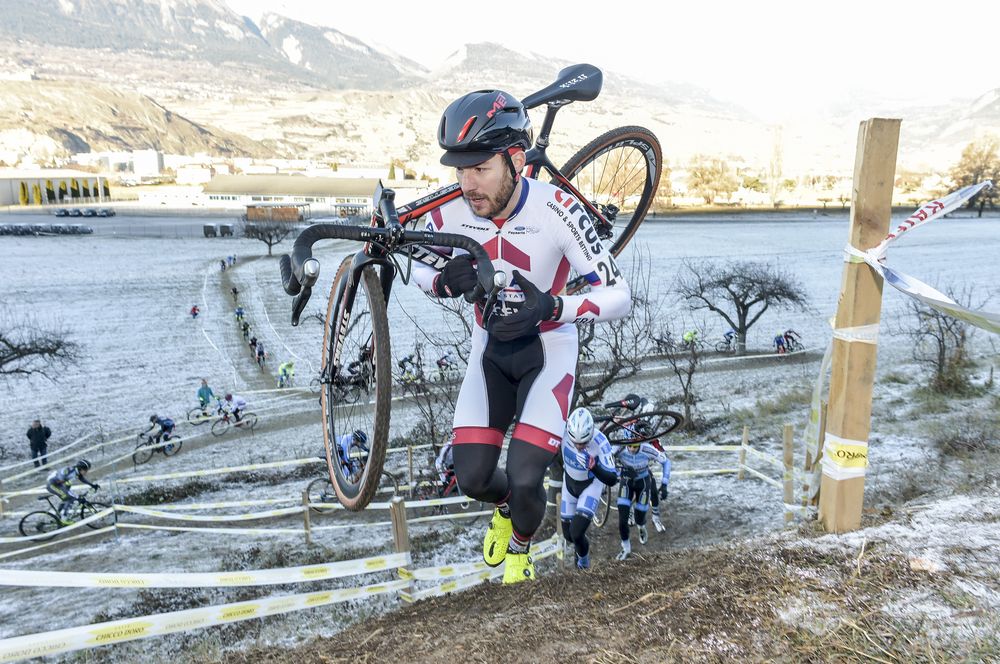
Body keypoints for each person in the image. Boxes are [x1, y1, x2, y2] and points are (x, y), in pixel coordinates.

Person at [409, 89, 631, 584]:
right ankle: (506, 507)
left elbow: (619, 295)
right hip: (488, 352)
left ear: (514, 159)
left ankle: (521, 548)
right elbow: (417, 268)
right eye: (460, 170)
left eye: (480, 169)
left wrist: (555, 306)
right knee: (473, 478)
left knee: (529, 476)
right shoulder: (447, 212)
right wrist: (445, 282)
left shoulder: (557, 209)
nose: (468, 184)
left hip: (549, 349)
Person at [560, 408, 618, 570]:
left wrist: (594, 467)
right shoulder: (561, 432)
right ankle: (581, 549)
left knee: (577, 533)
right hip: (569, 485)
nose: (579, 446)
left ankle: (584, 563)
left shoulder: (601, 441)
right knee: (569, 535)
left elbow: (612, 479)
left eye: (584, 443)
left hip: (590, 486)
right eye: (575, 442)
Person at [614, 438, 670, 560]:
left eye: (635, 447)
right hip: (627, 482)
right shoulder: (620, 447)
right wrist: (620, 472)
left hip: (643, 483)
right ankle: (626, 548)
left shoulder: (647, 449)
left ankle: (641, 527)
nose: (632, 449)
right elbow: (605, 462)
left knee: (640, 517)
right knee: (622, 520)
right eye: (630, 447)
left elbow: (666, 462)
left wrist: (664, 484)